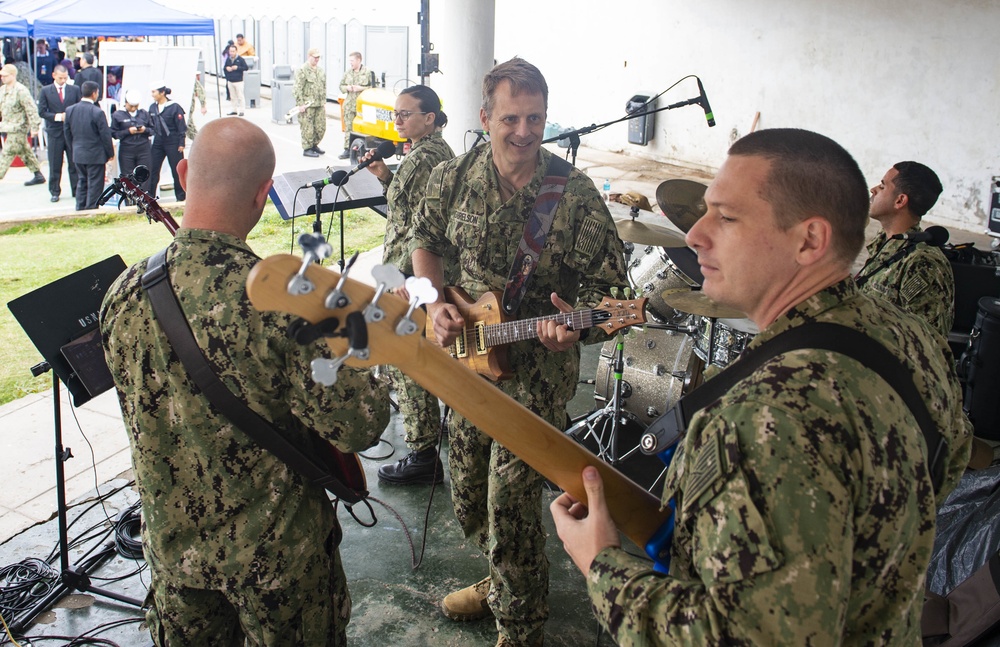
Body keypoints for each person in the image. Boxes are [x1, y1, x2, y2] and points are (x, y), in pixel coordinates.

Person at [550, 128, 973, 645]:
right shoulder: (907, 338)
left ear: (810, 240)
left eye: (726, 217)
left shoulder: (760, 417)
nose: (694, 234)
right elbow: (951, 458)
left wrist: (602, 565)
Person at [100, 117, 389, 646]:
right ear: (263, 195)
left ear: (184, 173)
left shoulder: (120, 295)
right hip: (278, 565)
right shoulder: (286, 306)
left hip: (174, 558)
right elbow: (360, 425)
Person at [411, 57, 627, 646]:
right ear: (485, 117)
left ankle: (519, 624)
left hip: (537, 370)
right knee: (468, 494)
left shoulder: (575, 195)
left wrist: (576, 329)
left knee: (510, 502)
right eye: (511, 118)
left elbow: (617, 299)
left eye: (535, 118)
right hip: (468, 362)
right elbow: (422, 244)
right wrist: (433, 304)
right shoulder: (451, 178)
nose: (524, 132)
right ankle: (501, 578)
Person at [362, 85, 455, 486]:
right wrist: (385, 177)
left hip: (407, 277)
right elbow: (408, 213)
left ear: (430, 117)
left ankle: (422, 453)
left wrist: (405, 280)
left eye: (406, 114)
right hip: (410, 271)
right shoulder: (431, 153)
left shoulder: (423, 158)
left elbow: (421, 231)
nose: (396, 121)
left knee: (407, 358)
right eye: (395, 114)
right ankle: (429, 437)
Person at [855, 161, 954, 338]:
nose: (873, 190)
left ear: (900, 200)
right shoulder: (885, 244)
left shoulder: (923, 263)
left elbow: (927, 343)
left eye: (883, 186)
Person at [64, 80, 114, 211]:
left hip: (78, 153)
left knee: (82, 181)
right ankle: (91, 209)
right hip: (95, 154)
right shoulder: (97, 112)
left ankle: (80, 208)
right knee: (95, 184)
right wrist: (110, 153)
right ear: (94, 93)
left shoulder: (70, 110)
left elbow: (67, 133)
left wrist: (73, 148)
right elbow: (105, 135)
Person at [37, 64, 81, 202]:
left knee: (74, 163)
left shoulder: (74, 90)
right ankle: (55, 190)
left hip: (71, 132)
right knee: (55, 164)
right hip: (54, 132)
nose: (63, 80)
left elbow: (79, 107)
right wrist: (57, 116)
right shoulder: (45, 91)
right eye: (61, 78)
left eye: (65, 78)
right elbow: (42, 111)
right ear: (54, 76)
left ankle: (76, 189)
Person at [0, 63, 45, 187]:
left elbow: (31, 109)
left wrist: (35, 126)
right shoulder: (3, 90)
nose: (2, 78)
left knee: (7, 154)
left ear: (13, 75)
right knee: (25, 151)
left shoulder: (21, 90)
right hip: (6, 126)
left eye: (5, 76)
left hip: (18, 127)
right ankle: (38, 174)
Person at [148, 83, 187, 202]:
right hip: (158, 141)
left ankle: (181, 197)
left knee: (177, 171)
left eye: (154, 92)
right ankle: (150, 197)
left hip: (173, 141)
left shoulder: (174, 107)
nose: (152, 95)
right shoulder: (152, 107)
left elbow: (181, 126)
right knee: (153, 169)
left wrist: (181, 142)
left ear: (162, 93)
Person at [111, 89, 152, 192]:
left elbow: (153, 129)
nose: (133, 108)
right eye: (131, 106)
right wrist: (128, 131)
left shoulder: (144, 114)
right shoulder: (118, 115)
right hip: (127, 150)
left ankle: (145, 200)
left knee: (144, 176)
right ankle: (130, 201)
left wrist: (144, 130)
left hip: (143, 149)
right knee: (128, 177)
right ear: (126, 103)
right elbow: (114, 133)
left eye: (136, 106)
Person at [337, 51, 370, 159]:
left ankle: (362, 149)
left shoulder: (367, 72)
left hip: (362, 106)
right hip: (349, 105)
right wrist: (347, 88)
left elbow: (374, 87)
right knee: (349, 128)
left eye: (352, 60)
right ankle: (347, 149)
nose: (350, 63)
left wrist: (360, 88)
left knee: (362, 128)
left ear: (359, 60)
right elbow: (341, 85)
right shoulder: (348, 73)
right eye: (350, 61)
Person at [294, 47, 326, 158]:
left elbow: (323, 87)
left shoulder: (321, 71)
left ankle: (314, 145)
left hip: (319, 104)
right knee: (307, 128)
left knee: (321, 127)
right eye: (315, 57)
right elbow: (297, 88)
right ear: (309, 57)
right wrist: (300, 104)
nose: (317, 59)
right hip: (307, 104)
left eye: (318, 57)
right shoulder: (302, 70)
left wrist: (324, 102)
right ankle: (307, 148)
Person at [223, 44, 248, 116]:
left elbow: (246, 68)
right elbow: (224, 68)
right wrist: (227, 68)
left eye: (233, 51)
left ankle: (242, 110)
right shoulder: (228, 59)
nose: (231, 53)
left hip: (238, 81)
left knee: (240, 96)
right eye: (230, 51)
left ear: (236, 51)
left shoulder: (240, 59)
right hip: (230, 81)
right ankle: (234, 110)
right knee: (232, 97)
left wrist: (237, 68)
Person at [186, 73, 208, 141]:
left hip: (186, 107)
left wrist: (203, 105)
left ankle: (201, 141)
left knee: (188, 126)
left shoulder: (187, 75)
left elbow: (200, 90)